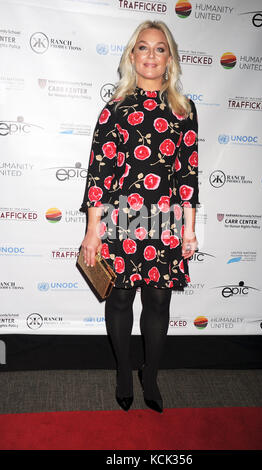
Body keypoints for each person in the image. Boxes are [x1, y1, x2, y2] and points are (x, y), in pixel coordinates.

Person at [79, 20, 199, 413]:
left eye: (159, 48)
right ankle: (123, 372)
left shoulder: (183, 110)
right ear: (132, 56)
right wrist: (92, 233)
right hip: (121, 220)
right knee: (120, 299)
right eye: (143, 48)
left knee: (159, 302)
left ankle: (151, 377)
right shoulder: (114, 109)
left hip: (164, 220)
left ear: (170, 58)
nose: (151, 55)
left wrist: (190, 231)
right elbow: (99, 175)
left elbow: (188, 175)